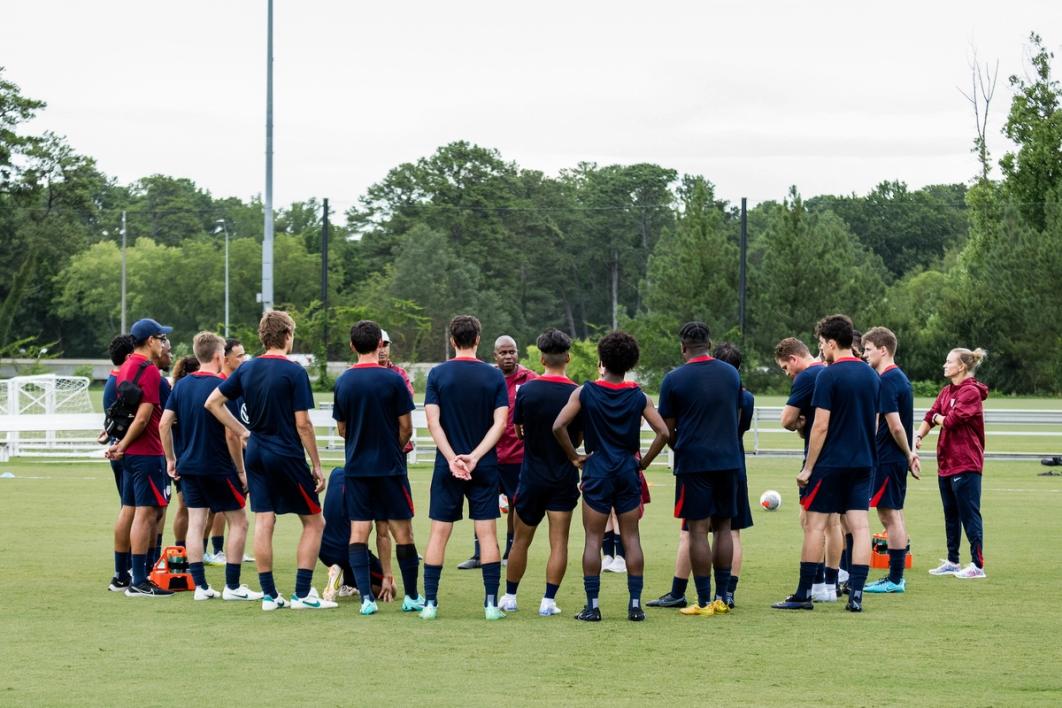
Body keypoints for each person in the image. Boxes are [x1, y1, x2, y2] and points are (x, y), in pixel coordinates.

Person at [206, 310, 336, 610]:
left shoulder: (247, 369)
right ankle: (302, 594)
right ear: (287, 335)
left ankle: (269, 595)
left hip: (256, 454)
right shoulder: (294, 372)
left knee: (265, 520)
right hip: (286, 455)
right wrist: (316, 465)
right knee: (315, 522)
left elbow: (212, 402)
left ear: (263, 336)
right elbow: (303, 424)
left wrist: (243, 432)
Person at [552, 331, 669, 622]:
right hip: (627, 470)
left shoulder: (585, 391)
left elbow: (558, 426)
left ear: (602, 361)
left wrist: (573, 456)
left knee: (593, 538)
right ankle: (635, 606)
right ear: (630, 363)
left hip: (597, 468)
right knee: (631, 537)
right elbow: (664, 433)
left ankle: (592, 607)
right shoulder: (639, 396)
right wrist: (644, 463)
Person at [773, 314, 879, 613]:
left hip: (830, 463)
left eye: (822, 344)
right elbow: (874, 422)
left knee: (815, 526)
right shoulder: (872, 375)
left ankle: (804, 594)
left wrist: (808, 468)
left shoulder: (827, 376)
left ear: (832, 343)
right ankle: (856, 595)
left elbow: (820, 426)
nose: (822, 350)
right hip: (863, 461)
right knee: (859, 527)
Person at [159, 331, 261, 602]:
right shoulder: (225, 387)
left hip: (189, 466)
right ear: (219, 356)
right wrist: (241, 471)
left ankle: (201, 587)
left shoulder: (180, 385)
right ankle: (233, 586)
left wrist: (171, 458)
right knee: (239, 521)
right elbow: (232, 434)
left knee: (196, 522)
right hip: (218, 466)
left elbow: (164, 423)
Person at [420, 315, 509, 620]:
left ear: (453, 341)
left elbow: (433, 422)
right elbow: (501, 423)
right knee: (487, 534)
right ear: (478, 340)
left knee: (438, 534)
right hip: (483, 467)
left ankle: (430, 604)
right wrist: (475, 456)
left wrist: (452, 458)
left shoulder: (438, 374)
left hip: (448, 468)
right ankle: (490, 605)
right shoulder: (494, 376)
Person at [332, 320, 422, 616]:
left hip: (357, 470)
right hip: (391, 469)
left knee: (359, 532)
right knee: (403, 533)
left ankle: (366, 601)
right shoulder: (394, 380)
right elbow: (407, 427)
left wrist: (361, 441)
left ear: (352, 346)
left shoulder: (344, 382)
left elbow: (342, 429)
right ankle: (411, 597)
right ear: (380, 345)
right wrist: (390, 447)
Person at [656, 323, 741, 617]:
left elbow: (666, 430)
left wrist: (684, 445)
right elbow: (737, 414)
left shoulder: (674, 379)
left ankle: (703, 600)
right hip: (729, 460)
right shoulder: (731, 373)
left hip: (694, 463)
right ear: (709, 343)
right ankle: (722, 597)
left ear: (683, 347)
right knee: (724, 528)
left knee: (697, 531)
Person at [498, 328, 581, 616]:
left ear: (542, 358)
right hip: (563, 476)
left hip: (531, 476)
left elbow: (519, 431)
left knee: (521, 539)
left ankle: (510, 596)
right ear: (567, 357)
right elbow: (578, 438)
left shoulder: (527, 390)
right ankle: (548, 600)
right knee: (559, 541)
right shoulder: (576, 393)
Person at [105, 318, 175, 597]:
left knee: (130, 509)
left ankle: (123, 576)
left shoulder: (127, 366)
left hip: (131, 452)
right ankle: (139, 580)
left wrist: (118, 442)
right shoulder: (148, 370)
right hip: (145, 450)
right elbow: (144, 416)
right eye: (161, 338)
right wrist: (122, 443)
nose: (164, 344)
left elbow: (122, 409)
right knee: (146, 514)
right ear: (150, 341)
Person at [458, 335, 537, 570]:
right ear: (495, 356)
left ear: (517, 353)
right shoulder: (488, 378)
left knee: (515, 503)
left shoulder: (530, 379)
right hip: (489, 452)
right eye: (503, 353)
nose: (508, 356)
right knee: (483, 500)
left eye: (511, 352)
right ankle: (479, 553)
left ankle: (509, 551)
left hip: (518, 454)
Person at [775, 337, 841, 601]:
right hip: (841, 456)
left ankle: (812, 585)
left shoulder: (806, 376)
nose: (787, 373)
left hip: (818, 459)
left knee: (810, 522)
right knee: (834, 522)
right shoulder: (831, 372)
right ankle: (831, 585)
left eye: (784, 367)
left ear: (794, 359)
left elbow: (786, 419)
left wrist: (796, 423)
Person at [916, 347, 989, 580]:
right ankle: (953, 561)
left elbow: (951, 420)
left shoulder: (971, 393)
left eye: (949, 362)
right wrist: (918, 437)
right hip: (946, 461)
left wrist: (939, 418)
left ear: (962, 367)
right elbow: (931, 416)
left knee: (969, 514)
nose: (944, 365)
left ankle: (977, 565)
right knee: (950, 514)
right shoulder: (947, 391)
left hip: (966, 462)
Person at [861, 327, 920, 593]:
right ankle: (896, 576)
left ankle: (895, 579)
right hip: (892, 457)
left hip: (888, 458)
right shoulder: (898, 377)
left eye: (868, 349)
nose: (864, 355)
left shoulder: (886, 379)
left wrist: (909, 454)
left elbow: (895, 426)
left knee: (889, 516)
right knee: (894, 512)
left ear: (883, 350)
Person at [713, 341, 755, 608]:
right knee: (732, 532)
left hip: (706, 464)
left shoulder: (710, 393)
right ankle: (728, 591)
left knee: (699, 531)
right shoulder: (746, 397)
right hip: (735, 463)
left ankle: (706, 590)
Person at [204, 338, 252, 566]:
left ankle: (232, 549)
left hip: (240, 454)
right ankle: (214, 550)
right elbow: (230, 430)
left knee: (237, 505)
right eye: (239, 355)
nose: (243, 359)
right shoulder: (221, 386)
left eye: (244, 355)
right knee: (218, 507)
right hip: (224, 457)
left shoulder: (240, 383)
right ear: (226, 358)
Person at [320, 467, 386, 601]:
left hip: (322, 550)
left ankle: (344, 582)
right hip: (347, 551)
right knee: (389, 588)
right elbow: (370, 531)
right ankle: (344, 576)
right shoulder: (367, 483)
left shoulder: (336, 473)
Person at [104, 334, 136, 592]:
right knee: (130, 509)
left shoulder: (114, 381)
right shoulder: (119, 382)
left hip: (120, 450)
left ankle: (125, 571)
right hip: (125, 453)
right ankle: (122, 574)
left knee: (131, 509)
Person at [168, 355, 199, 553]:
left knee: (193, 507)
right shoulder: (178, 393)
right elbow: (166, 424)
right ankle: (181, 549)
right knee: (185, 505)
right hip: (182, 455)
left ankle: (196, 550)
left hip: (191, 454)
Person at [378, 329, 415, 458]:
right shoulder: (360, 373)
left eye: (385, 345)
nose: (382, 350)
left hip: (397, 443)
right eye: (378, 346)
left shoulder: (400, 373)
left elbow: (407, 400)